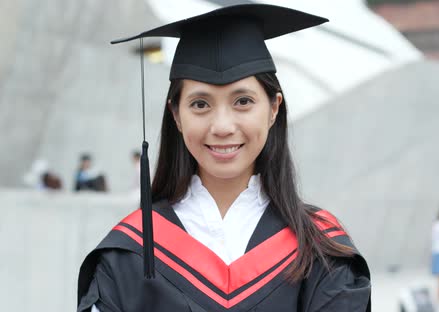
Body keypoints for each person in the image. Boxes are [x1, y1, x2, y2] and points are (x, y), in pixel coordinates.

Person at [77, 4, 371, 312]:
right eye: (200, 104)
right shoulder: (127, 254)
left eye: (243, 101)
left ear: (273, 109)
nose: (222, 127)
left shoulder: (322, 249)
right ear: (176, 115)